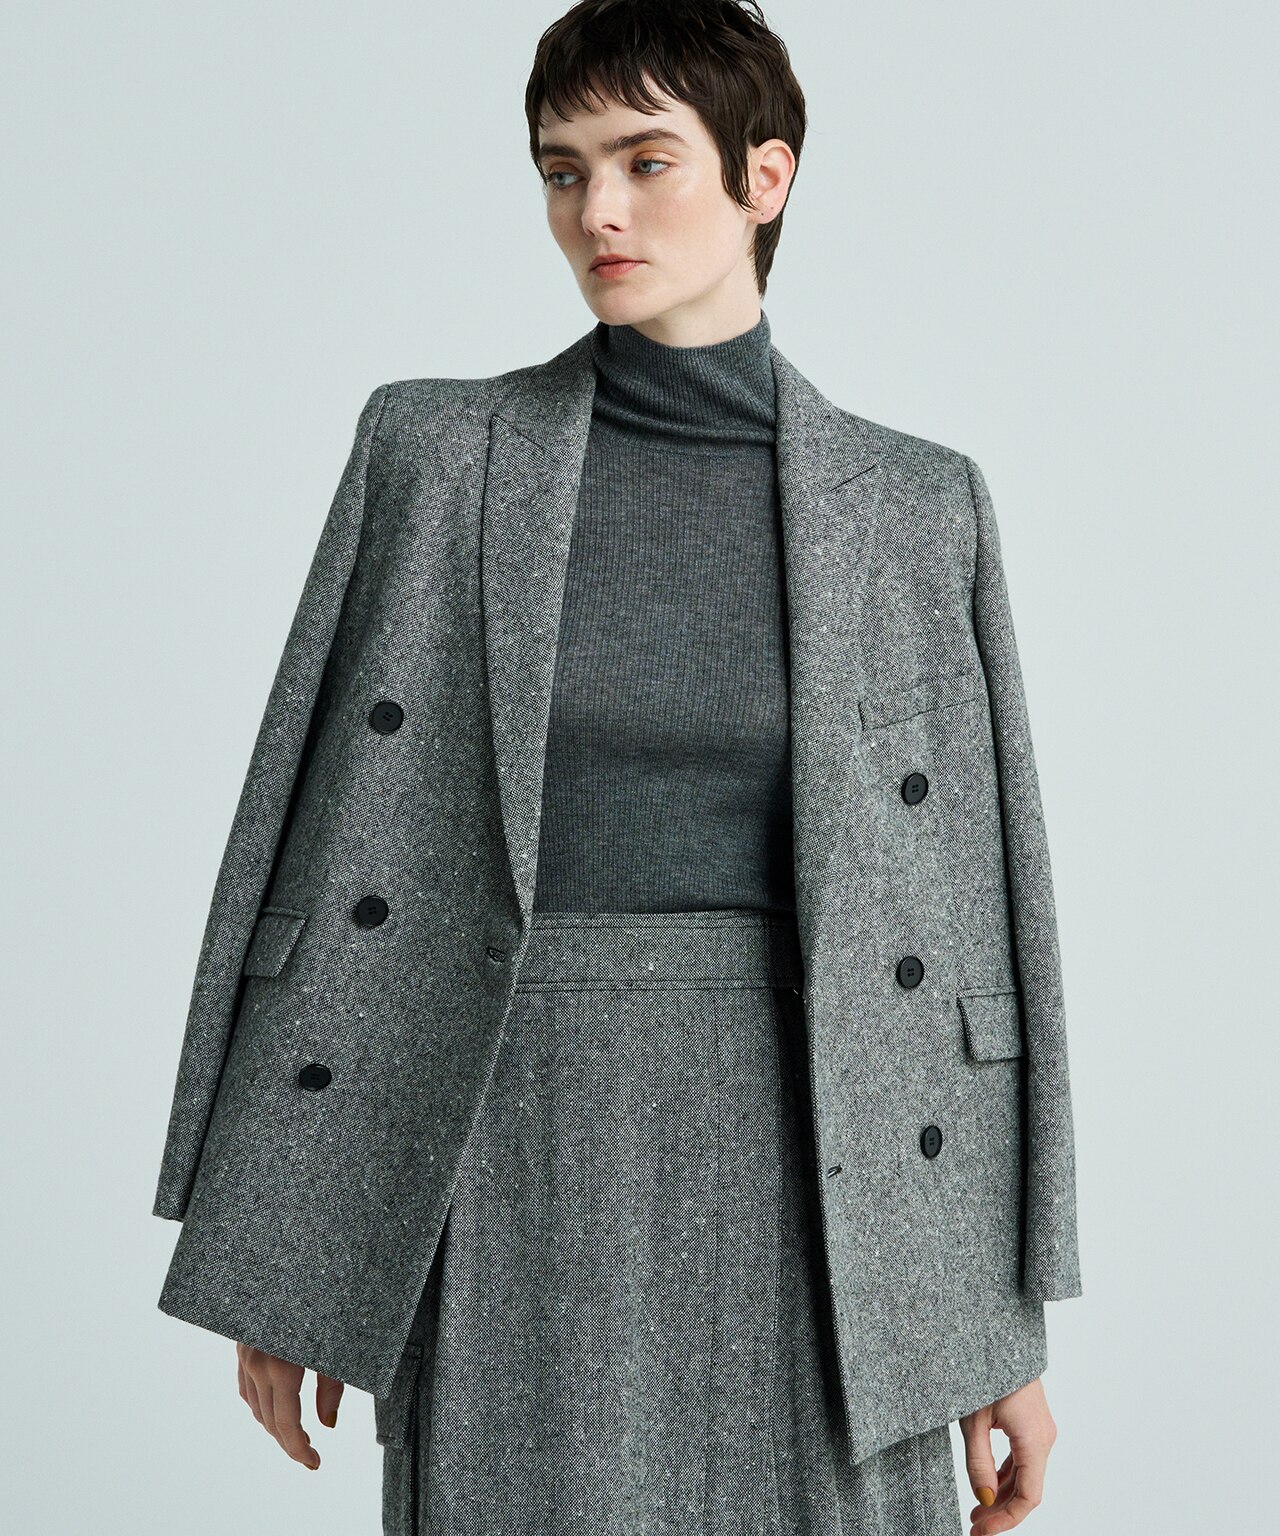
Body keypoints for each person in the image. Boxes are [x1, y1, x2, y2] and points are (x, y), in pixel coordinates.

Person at [152, 4, 1081, 1534]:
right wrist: (289, 1245)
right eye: (562, 169)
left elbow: (973, 935)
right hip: (501, 1125)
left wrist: (993, 1325)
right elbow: (311, 842)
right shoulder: (434, 455)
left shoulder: (919, 508)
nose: (598, 211)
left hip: (826, 1161)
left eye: (647, 162)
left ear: (765, 177)